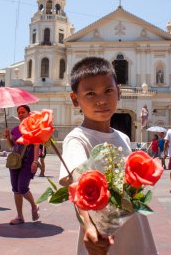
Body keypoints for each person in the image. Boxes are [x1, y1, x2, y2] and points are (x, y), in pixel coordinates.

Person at [59, 57, 158, 255]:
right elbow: (77, 184)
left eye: (108, 91)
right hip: (103, 239)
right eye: (90, 93)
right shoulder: (77, 139)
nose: (102, 100)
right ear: (74, 99)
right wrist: (89, 226)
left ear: (118, 92)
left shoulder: (122, 137)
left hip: (137, 234)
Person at [3, 105, 40, 225]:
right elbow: (12, 146)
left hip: (28, 161)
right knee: (16, 189)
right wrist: (8, 137)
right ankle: (20, 216)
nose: (20, 114)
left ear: (29, 114)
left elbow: (36, 145)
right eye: (18, 112)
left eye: (23, 112)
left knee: (22, 187)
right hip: (15, 161)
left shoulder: (33, 128)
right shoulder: (15, 129)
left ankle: (34, 206)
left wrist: (35, 161)